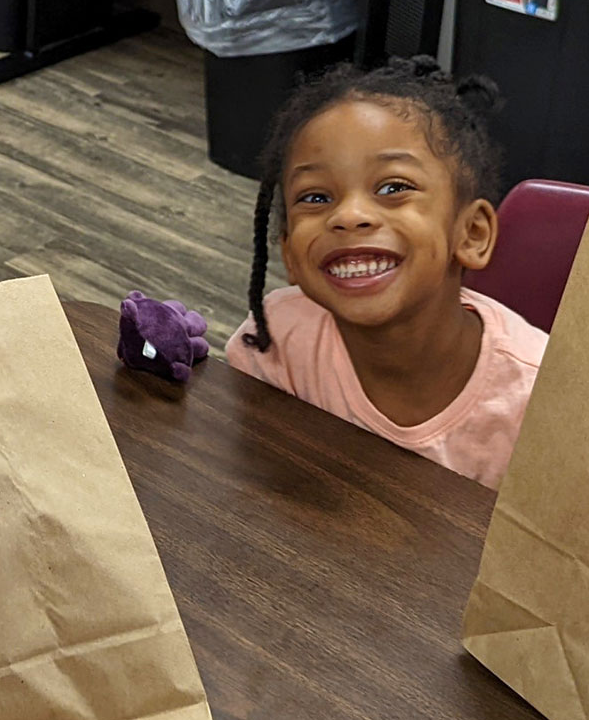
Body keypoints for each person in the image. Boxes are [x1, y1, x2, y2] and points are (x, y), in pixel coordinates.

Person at [224, 57, 546, 488]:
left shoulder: (541, 402)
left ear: (471, 233)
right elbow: (253, 479)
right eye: (316, 197)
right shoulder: (277, 340)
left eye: (394, 188)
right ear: (289, 251)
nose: (350, 216)